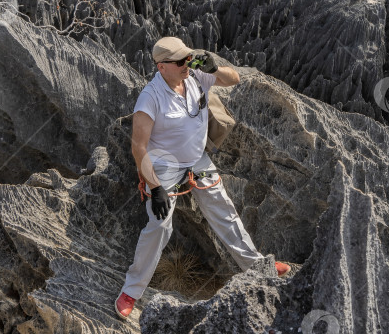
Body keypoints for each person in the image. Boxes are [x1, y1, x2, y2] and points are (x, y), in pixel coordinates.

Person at [115, 37, 291, 319]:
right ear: (162, 67)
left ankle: (259, 268)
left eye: (189, 57)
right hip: (165, 164)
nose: (188, 63)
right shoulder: (150, 97)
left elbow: (233, 80)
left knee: (224, 210)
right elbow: (139, 146)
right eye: (181, 60)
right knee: (159, 225)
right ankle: (131, 291)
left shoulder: (196, 74)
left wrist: (214, 68)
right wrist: (155, 186)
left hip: (197, 159)